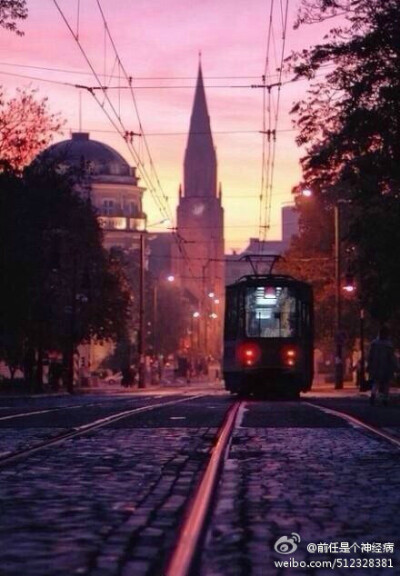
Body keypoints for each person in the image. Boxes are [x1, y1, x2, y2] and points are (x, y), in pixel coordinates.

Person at [367, 326, 397, 406]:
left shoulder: (374, 344)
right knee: (386, 384)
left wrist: (369, 365)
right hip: (386, 367)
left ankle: (373, 395)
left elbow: (370, 356)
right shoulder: (388, 345)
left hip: (375, 366)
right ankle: (385, 399)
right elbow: (391, 357)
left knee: (376, 382)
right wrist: (395, 366)